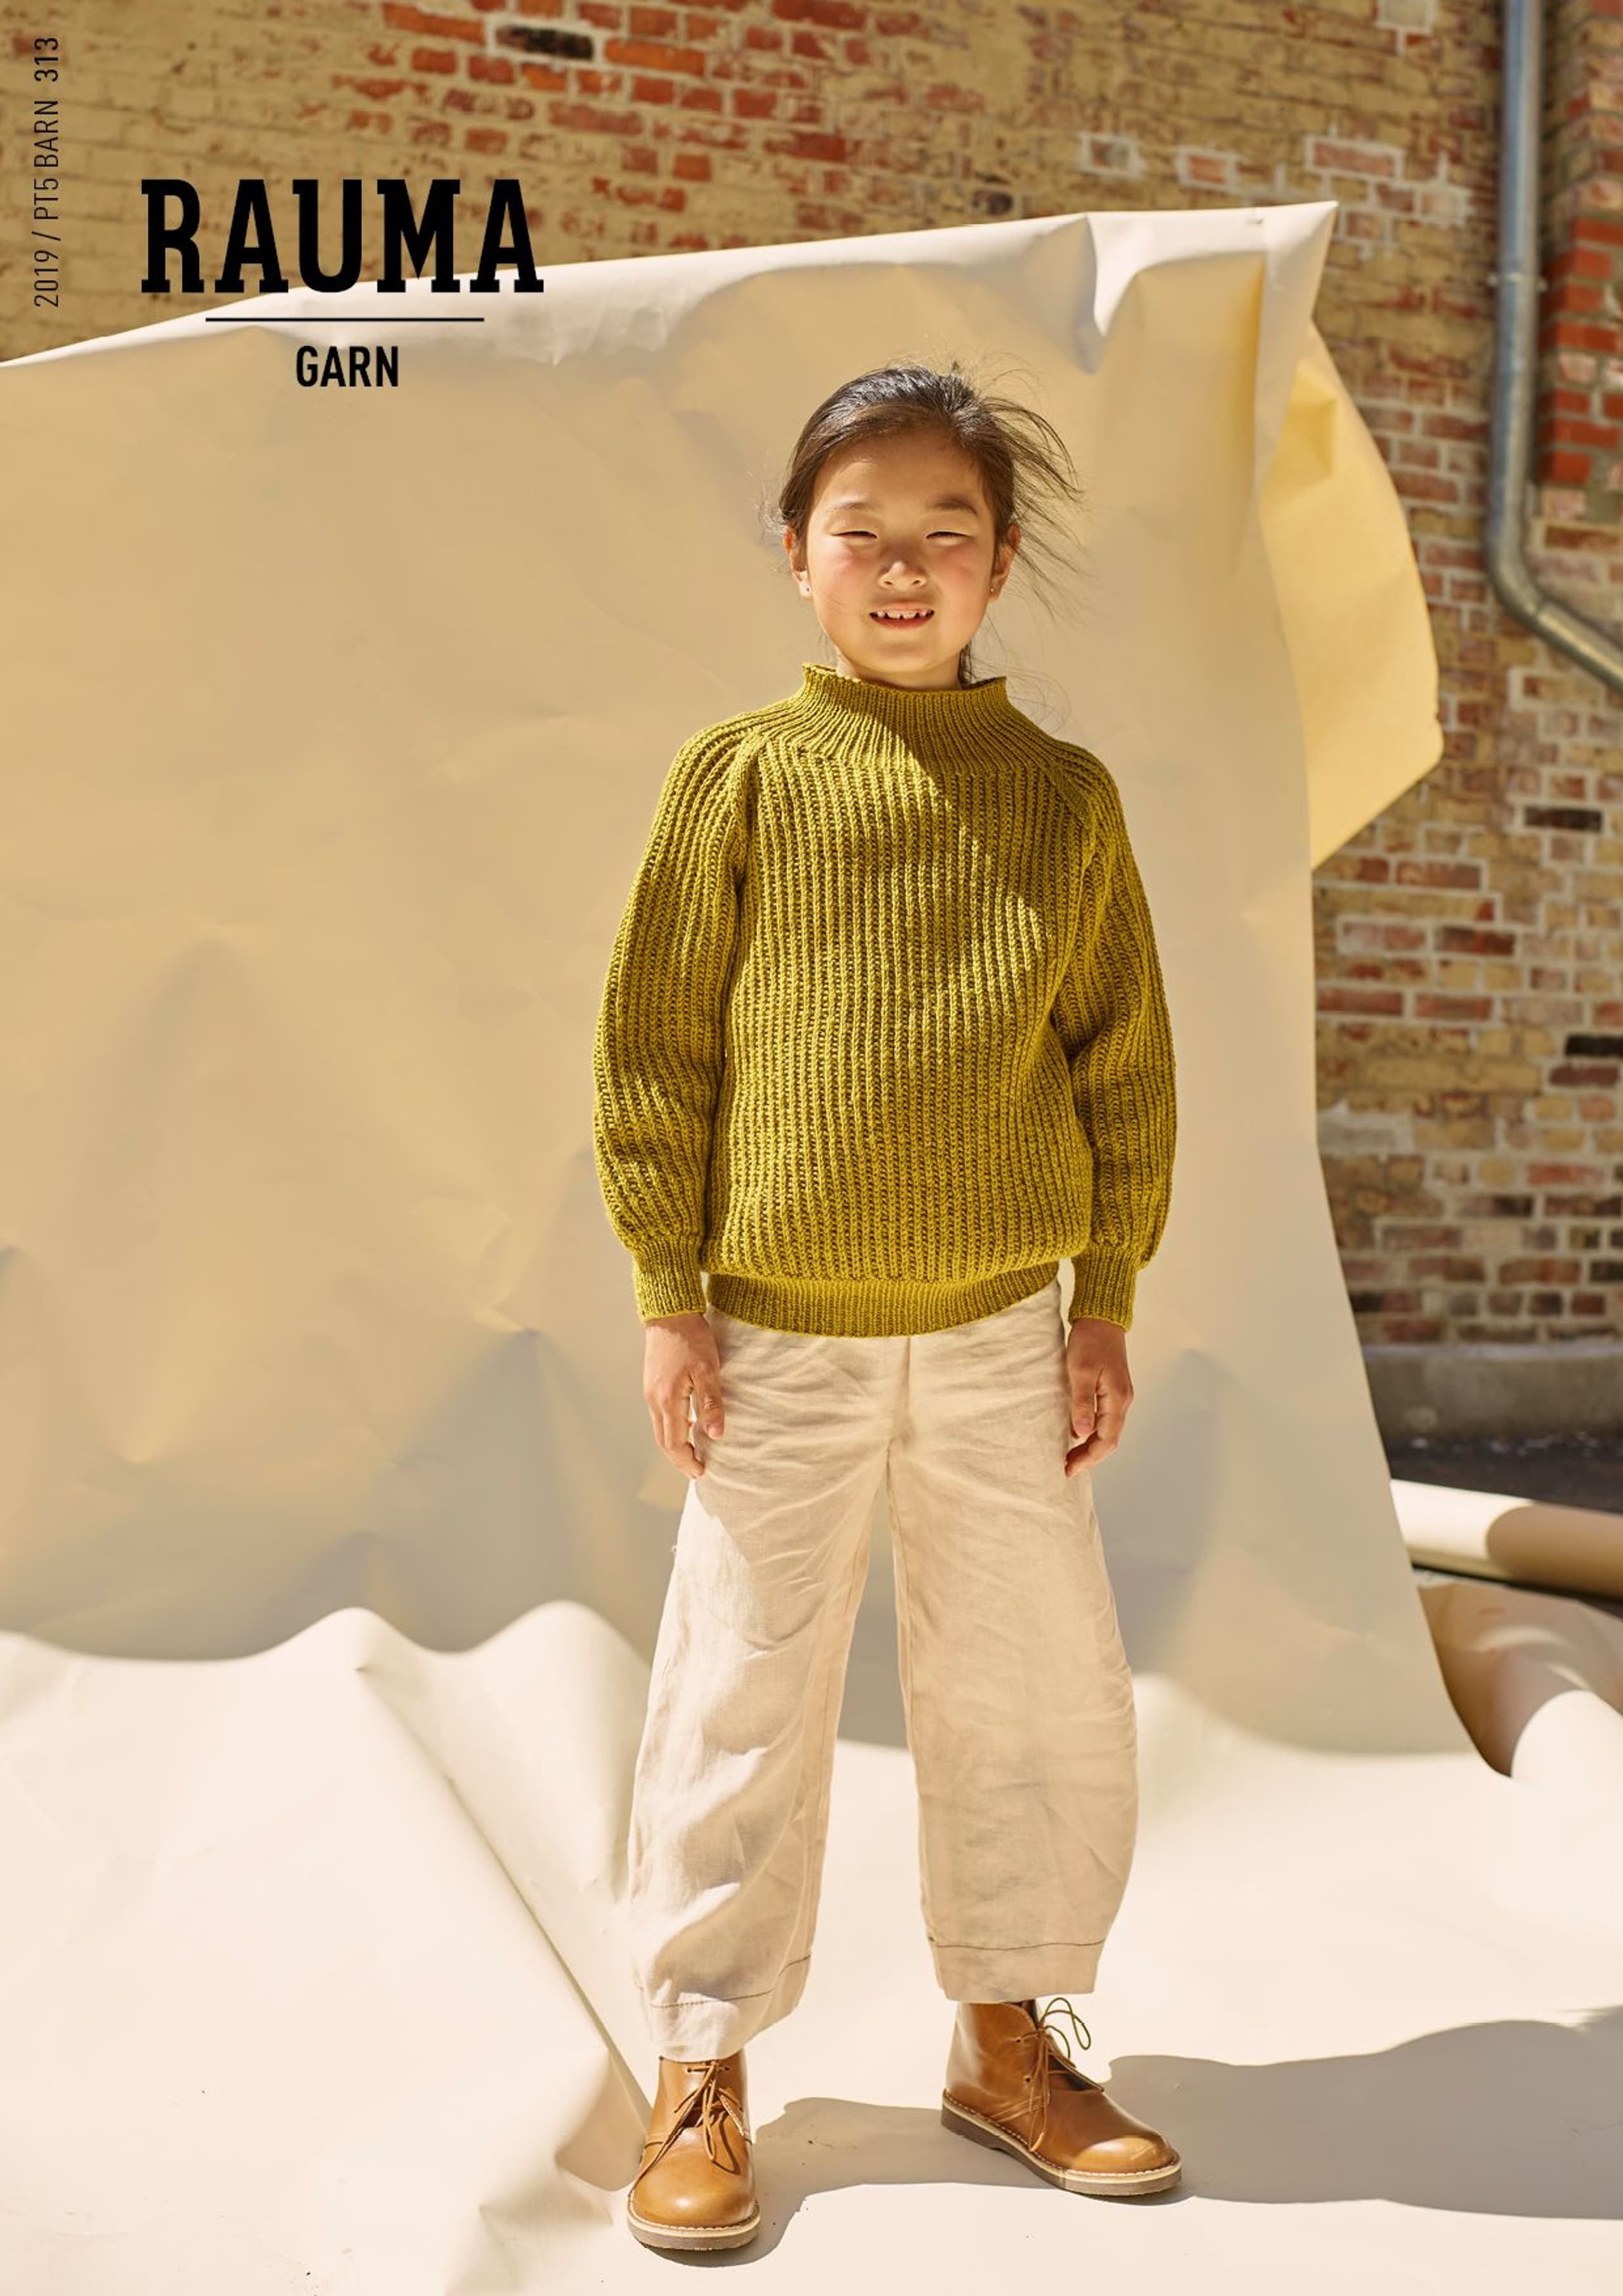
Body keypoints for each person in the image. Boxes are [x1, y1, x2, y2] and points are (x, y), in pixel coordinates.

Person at [592, 358, 1180, 2252]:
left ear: (999, 562)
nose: (906, 568)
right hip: (777, 1338)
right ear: (797, 551)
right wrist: (672, 1296)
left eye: (949, 532)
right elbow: (658, 1052)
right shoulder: (744, 776)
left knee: (1034, 1692)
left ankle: (1012, 2038)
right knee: (738, 1692)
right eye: (866, 533)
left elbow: (1121, 1061)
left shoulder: (1065, 800)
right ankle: (699, 2062)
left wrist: (1106, 1299)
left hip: (1006, 1332)